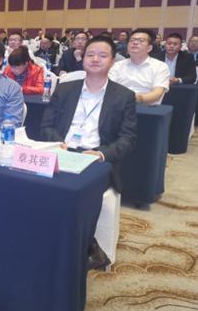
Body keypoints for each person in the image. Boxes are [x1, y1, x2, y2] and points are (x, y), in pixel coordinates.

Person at [41, 35, 137, 193]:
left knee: (74, 189)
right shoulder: (64, 89)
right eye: (90, 55)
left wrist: (101, 154)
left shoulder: (124, 96)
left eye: (103, 55)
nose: (95, 59)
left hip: (95, 157)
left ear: (112, 61)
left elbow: (128, 138)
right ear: (83, 58)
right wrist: (58, 143)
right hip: (62, 151)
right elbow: (46, 126)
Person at [108, 29, 170, 104]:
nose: (135, 42)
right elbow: (109, 90)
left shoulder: (160, 67)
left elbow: (156, 95)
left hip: (145, 108)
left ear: (149, 48)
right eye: (132, 40)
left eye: (141, 40)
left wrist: (132, 98)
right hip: (118, 106)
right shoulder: (117, 66)